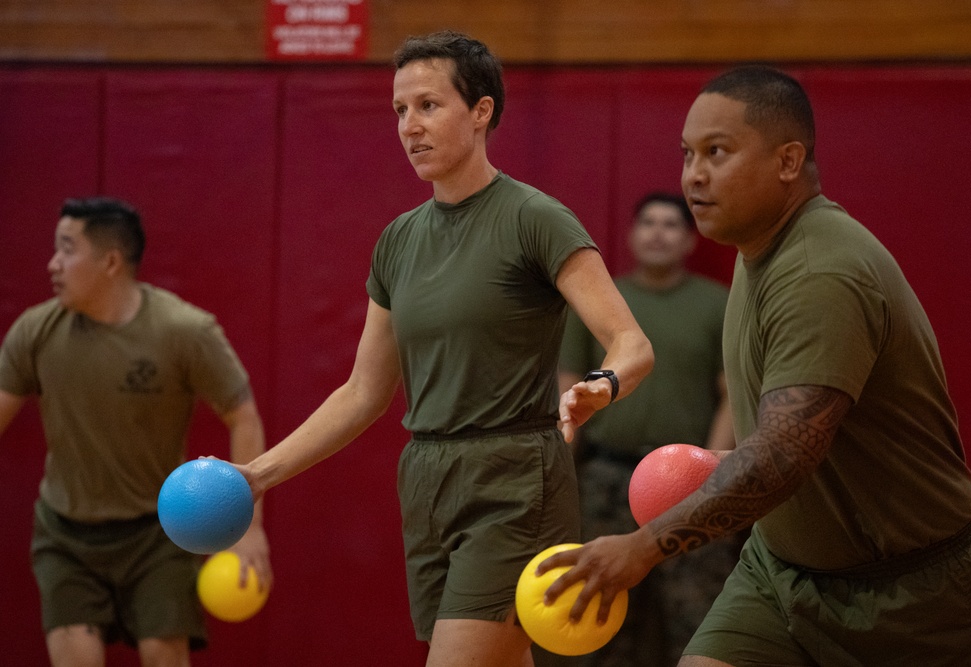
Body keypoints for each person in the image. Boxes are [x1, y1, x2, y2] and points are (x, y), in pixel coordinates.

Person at [536, 65, 971, 666]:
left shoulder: (819, 270)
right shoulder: (755, 251)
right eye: (688, 154)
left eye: (718, 152)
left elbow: (783, 454)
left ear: (787, 161)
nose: (694, 175)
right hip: (779, 572)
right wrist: (723, 465)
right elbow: (790, 442)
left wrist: (644, 546)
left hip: (912, 596)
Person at [225, 31, 653, 667]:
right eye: (400, 111)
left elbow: (632, 344)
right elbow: (363, 392)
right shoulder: (398, 242)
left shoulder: (535, 219)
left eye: (428, 106)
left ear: (480, 112)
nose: (409, 127)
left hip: (514, 479)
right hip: (427, 479)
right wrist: (258, 475)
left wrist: (602, 383)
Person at [0, 197, 272, 667]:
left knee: (162, 654)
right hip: (65, 533)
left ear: (109, 262)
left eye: (66, 250)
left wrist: (249, 528)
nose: (52, 264)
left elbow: (243, 416)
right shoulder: (36, 332)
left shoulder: (184, 330)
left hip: (159, 534)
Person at [536, 192, 740, 666]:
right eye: (648, 222)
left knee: (698, 622)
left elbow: (732, 395)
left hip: (687, 485)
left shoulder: (719, 304)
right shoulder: (600, 304)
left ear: (690, 239)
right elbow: (568, 395)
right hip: (605, 479)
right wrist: (557, 484)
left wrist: (708, 478)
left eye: (671, 224)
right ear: (631, 235)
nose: (658, 232)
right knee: (597, 620)